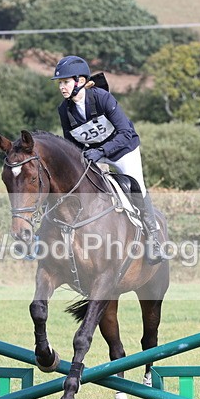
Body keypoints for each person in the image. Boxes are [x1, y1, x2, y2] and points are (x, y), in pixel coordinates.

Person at [51, 55, 163, 264]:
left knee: (137, 187)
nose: (62, 87)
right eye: (60, 83)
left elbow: (125, 133)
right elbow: (70, 143)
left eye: (65, 82)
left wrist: (101, 151)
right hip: (93, 154)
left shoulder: (102, 98)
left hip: (123, 150)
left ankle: (154, 239)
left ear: (80, 81)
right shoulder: (64, 110)